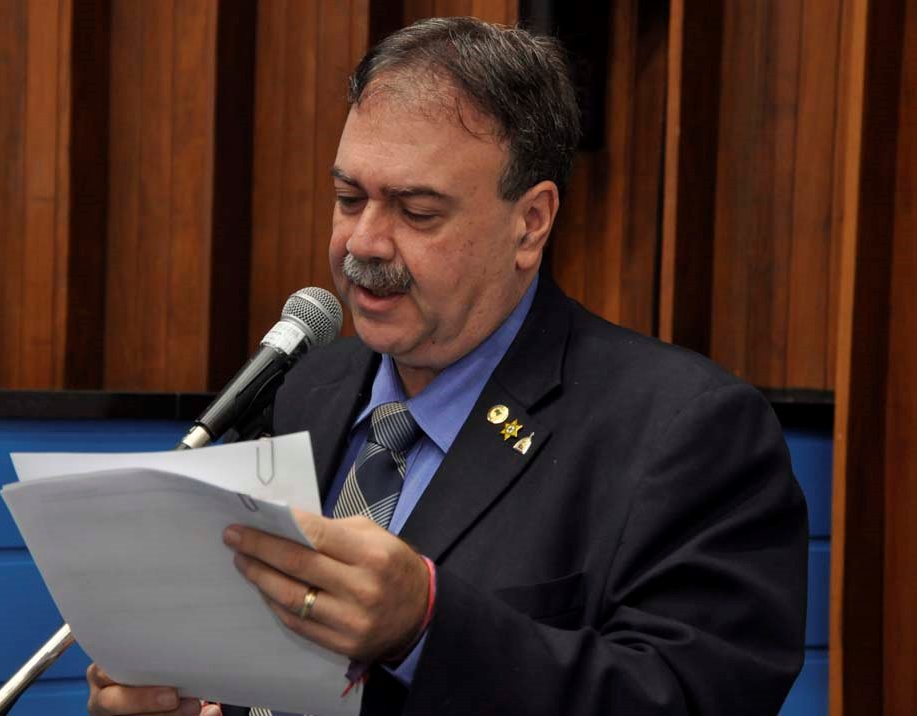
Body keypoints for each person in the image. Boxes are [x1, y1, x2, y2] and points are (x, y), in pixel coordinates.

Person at [87, 17, 807, 716]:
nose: (363, 243)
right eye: (349, 199)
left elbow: (688, 695)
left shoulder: (685, 432)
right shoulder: (304, 391)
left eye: (417, 212)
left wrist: (427, 627)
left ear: (531, 223)